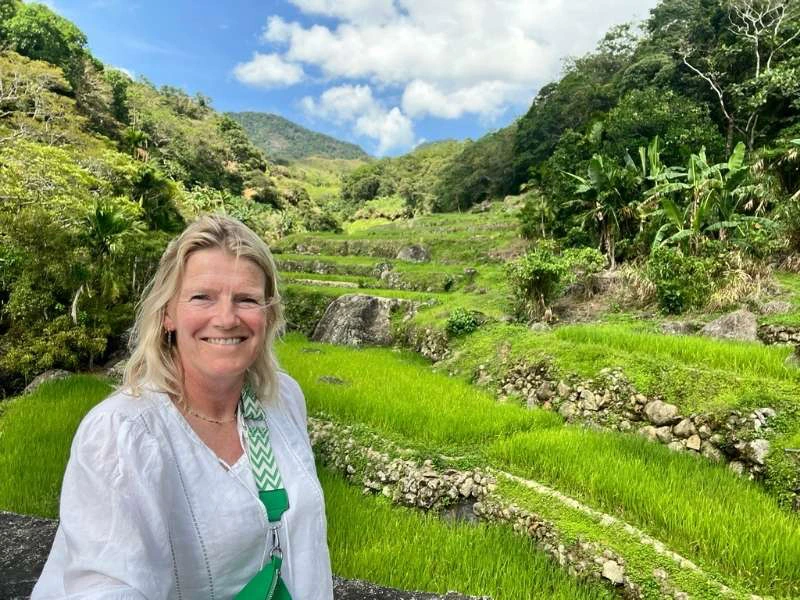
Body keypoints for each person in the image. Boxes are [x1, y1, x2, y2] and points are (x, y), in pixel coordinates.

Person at [32, 215, 333, 599]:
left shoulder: (281, 399)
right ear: (168, 314)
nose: (226, 319)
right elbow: (107, 587)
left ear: (268, 314)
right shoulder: (124, 434)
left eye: (246, 299)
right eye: (202, 297)